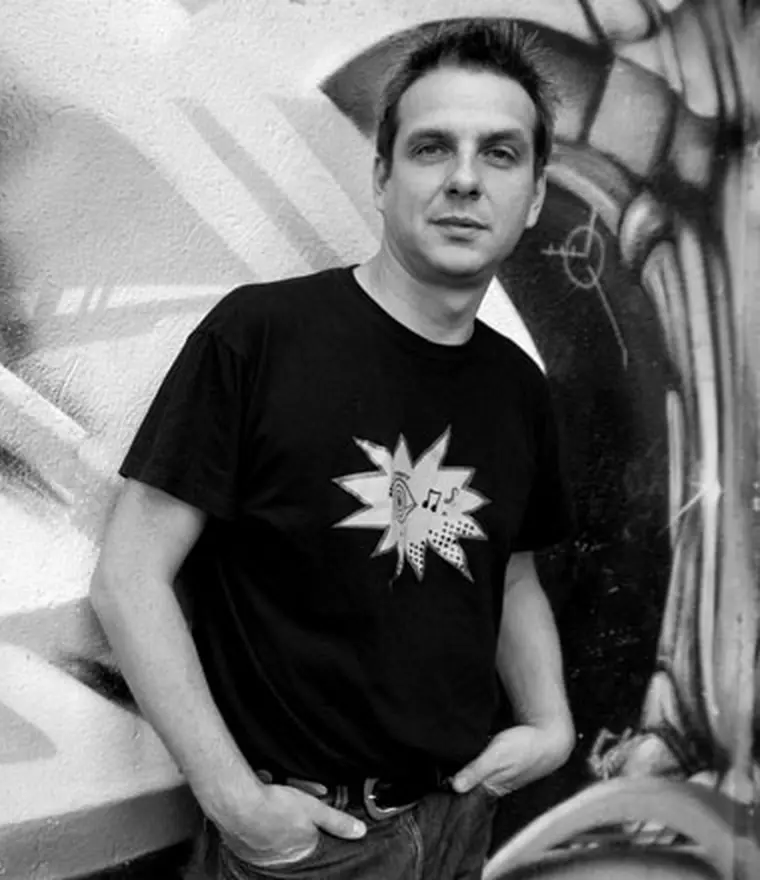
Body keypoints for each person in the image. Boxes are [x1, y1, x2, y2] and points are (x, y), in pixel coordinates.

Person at [90, 18, 576, 880]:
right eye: (432, 148)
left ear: (535, 196)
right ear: (382, 176)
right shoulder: (261, 337)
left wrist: (551, 724)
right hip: (311, 846)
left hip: (456, 820)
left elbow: (510, 572)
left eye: (500, 154)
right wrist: (238, 805)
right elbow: (129, 578)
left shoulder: (517, 387)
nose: (465, 179)